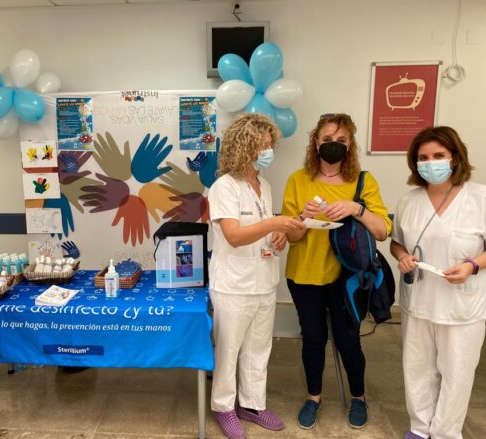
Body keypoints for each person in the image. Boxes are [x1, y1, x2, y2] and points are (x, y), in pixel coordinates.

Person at [281, 113, 391, 430]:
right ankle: (313, 398)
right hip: (304, 273)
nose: (333, 145)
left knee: (348, 340)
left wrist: (356, 208)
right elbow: (291, 236)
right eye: (327, 139)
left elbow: (382, 231)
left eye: (341, 140)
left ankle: (358, 397)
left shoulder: (363, 181)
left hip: (348, 278)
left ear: (350, 144)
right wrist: (302, 218)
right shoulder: (298, 180)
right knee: (313, 338)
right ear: (315, 143)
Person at [208, 113, 305, 439]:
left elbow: (261, 229)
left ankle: (252, 404)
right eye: (262, 145)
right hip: (233, 285)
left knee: (258, 348)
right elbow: (234, 236)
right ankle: (223, 406)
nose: (268, 151)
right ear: (243, 147)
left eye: (270, 145)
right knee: (229, 350)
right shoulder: (224, 187)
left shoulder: (264, 186)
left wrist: (277, 236)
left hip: (264, 280)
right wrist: (275, 223)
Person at [390, 126, 486, 439]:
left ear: (455, 158)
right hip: (419, 301)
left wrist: (472, 265)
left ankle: (446, 432)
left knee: (457, 373)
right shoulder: (409, 201)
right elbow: (396, 242)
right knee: (417, 368)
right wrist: (402, 256)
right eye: (423, 158)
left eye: (438, 155)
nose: (430, 163)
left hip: (462, 305)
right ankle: (420, 428)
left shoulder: (480, 197)